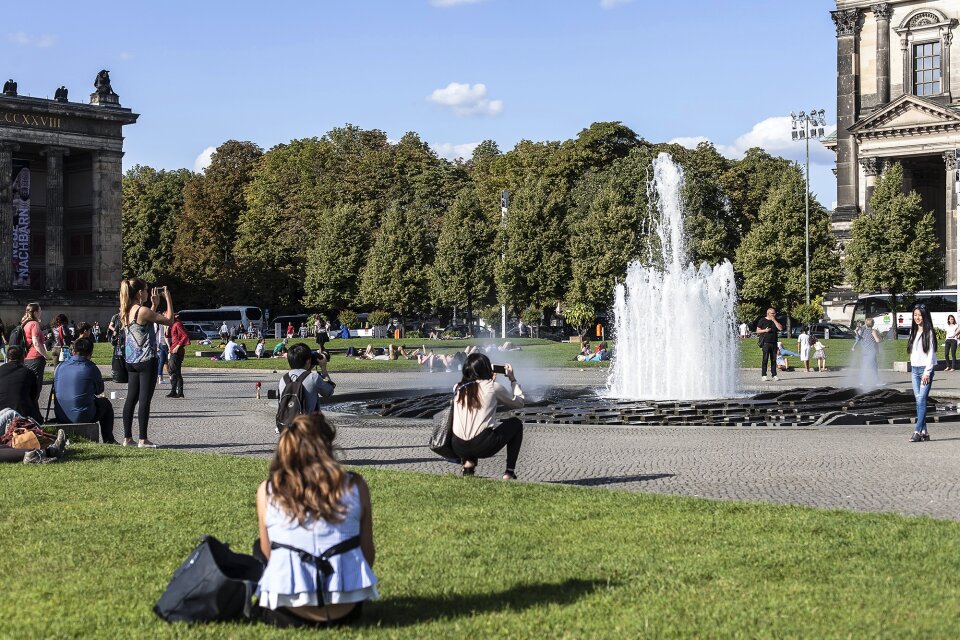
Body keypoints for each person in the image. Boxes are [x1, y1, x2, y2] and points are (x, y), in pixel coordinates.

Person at [255, 414, 377, 627]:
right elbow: (368, 554)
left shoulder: (268, 490)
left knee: (260, 547)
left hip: (289, 608)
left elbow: (268, 555)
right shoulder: (356, 486)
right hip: (345, 607)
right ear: (328, 447)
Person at [450, 353, 525, 479]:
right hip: (482, 446)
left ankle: (468, 466)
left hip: (458, 446)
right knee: (516, 424)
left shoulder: (457, 388)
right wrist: (512, 379)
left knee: (470, 425)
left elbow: (476, 395)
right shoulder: (493, 387)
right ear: (487, 369)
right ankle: (509, 472)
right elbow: (519, 403)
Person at [120, 279, 174, 448]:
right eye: (146, 290)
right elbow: (170, 320)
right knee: (144, 399)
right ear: (139, 293)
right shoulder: (142, 310)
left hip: (131, 360)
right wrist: (168, 298)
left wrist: (154, 306)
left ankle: (127, 438)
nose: (148, 292)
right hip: (146, 359)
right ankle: (143, 439)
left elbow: (143, 325)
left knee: (131, 398)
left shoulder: (126, 310)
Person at [53, 337, 117, 444]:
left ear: (73, 351)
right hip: (82, 416)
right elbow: (99, 390)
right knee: (105, 403)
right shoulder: (90, 368)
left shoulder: (60, 366)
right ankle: (108, 439)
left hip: (61, 414)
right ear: (90, 353)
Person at [277, 343, 336, 421]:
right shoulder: (313, 377)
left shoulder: (284, 379)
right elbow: (329, 391)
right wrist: (323, 369)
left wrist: (308, 367)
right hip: (307, 428)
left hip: (287, 428)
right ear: (308, 361)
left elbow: (302, 377)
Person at [908, 304, 937, 442]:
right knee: (918, 401)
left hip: (925, 371)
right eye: (915, 315)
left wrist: (927, 372)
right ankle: (924, 431)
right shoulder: (913, 332)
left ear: (925, 316)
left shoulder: (929, 332)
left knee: (921, 400)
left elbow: (931, 354)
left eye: (919, 315)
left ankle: (917, 431)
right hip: (914, 370)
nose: (917, 318)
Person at [0, 346, 42, 422]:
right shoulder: (28, 373)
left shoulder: (1, 370)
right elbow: (34, 396)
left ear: (7, 357)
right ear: (23, 357)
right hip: (21, 414)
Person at [20, 303, 49, 403]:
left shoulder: (25, 323)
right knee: (36, 387)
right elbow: (36, 342)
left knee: (28, 385)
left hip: (26, 357)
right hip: (36, 358)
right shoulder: (34, 324)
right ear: (35, 312)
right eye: (40, 311)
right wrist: (46, 355)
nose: (41, 313)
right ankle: (33, 410)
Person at [755, 308, 782, 382]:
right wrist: (765, 330)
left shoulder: (775, 320)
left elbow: (780, 328)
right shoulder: (762, 320)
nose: (774, 314)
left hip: (774, 342)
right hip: (766, 342)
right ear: (768, 313)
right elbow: (757, 331)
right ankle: (764, 375)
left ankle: (774, 375)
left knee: (773, 359)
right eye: (772, 313)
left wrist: (774, 320)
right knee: (765, 359)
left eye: (775, 313)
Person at [167, 313, 189, 399]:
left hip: (177, 351)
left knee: (176, 372)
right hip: (173, 350)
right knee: (173, 371)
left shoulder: (177, 324)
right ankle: (174, 391)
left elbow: (185, 336)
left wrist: (177, 346)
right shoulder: (173, 325)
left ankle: (179, 392)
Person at [156, 321, 170, 385]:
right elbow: (163, 335)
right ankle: (160, 378)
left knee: (161, 362)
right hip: (163, 344)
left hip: (160, 344)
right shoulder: (161, 324)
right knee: (162, 361)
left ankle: (159, 378)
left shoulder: (156, 324)